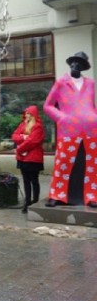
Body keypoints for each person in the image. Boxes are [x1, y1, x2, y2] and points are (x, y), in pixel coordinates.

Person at [43, 51, 97, 207]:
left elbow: (90, 105)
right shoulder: (61, 82)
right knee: (63, 161)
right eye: (74, 62)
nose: (76, 65)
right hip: (68, 130)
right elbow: (48, 106)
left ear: (83, 66)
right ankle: (57, 194)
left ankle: (92, 195)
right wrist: (61, 118)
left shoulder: (90, 83)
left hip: (91, 130)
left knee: (92, 163)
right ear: (70, 63)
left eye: (80, 63)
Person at [11, 105, 45, 213]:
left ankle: (35, 201)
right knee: (26, 181)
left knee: (34, 180)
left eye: (29, 113)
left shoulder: (38, 126)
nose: (27, 115)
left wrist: (19, 149)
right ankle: (27, 201)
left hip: (33, 158)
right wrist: (23, 137)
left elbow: (32, 142)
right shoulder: (22, 125)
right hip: (23, 158)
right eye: (26, 113)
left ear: (34, 115)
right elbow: (14, 136)